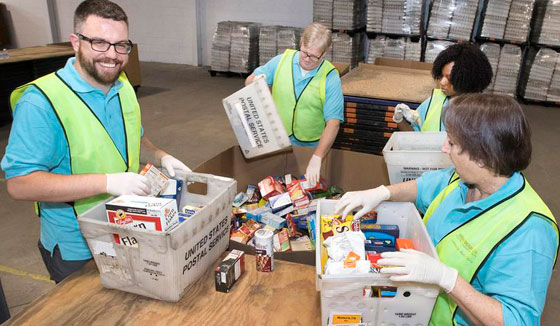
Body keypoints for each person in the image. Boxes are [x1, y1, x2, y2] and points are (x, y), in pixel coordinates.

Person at [1, 0, 190, 283]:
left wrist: (162, 156)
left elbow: (131, 140)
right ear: (75, 42)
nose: (112, 55)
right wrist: (107, 182)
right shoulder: (41, 102)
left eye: (121, 45)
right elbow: (20, 183)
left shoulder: (122, 85)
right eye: (99, 43)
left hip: (125, 227)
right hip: (76, 245)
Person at [335, 94, 559, 325]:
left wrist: (448, 279)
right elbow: (423, 187)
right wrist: (383, 192)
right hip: (415, 312)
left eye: (451, 143)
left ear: (482, 157)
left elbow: (516, 320)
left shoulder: (529, 230)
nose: (444, 148)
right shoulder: (464, 178)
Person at [245, 23, 344, 186]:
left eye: (314, 56)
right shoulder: (280, 61)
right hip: (277, 143)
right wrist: (256, 81)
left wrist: (318, 157)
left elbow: (333, 124)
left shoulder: (330, 77)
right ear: (301, 44)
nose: (307, 58)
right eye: (305, 52)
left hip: (310, 146)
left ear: (325, 54)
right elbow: (248, 81)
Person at [393, 43, 493, 132]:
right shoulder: (434, 102)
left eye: (449, 78)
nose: (442, 82)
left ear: (468, 79)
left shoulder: (484, 113)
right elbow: (414, 138)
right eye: (441, 76)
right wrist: (400, 120)